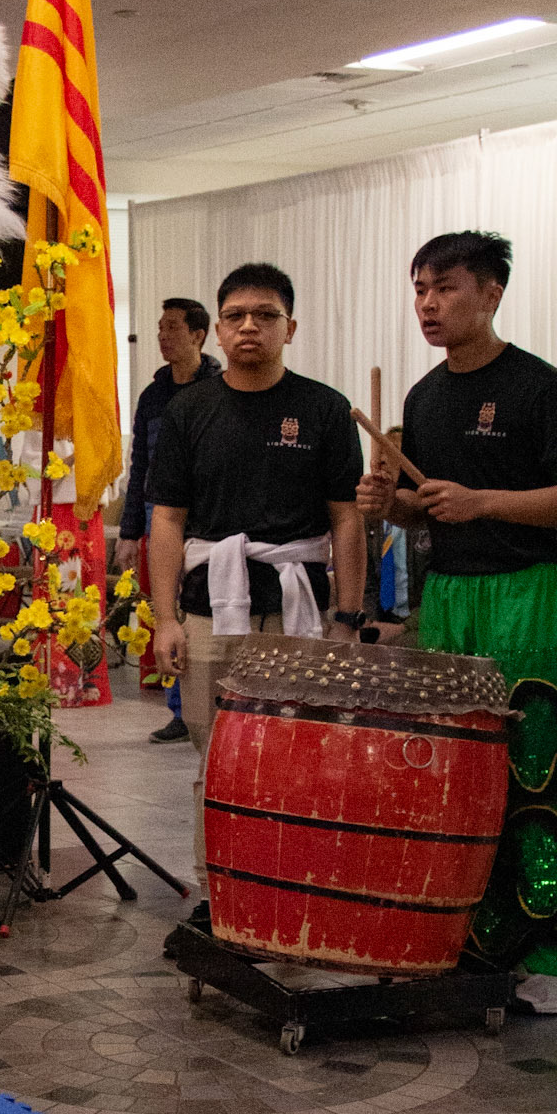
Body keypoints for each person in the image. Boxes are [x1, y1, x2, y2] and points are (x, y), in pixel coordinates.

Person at [357, 231, 557, 1012]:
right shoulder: (422, 397)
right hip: (446, 597)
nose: (427, 304)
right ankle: (460, 939)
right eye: (419, 289)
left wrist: (485, 503)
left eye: (445, 288)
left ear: (491, 294)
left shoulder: (539, 388)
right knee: (450, 773)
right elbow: (426, 508)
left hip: (528, 593)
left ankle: (547, 956)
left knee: (534, 771)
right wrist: (393, 504)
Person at [147, 261, 366, 901]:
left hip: (299, 610)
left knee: (299, 755)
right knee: (217, 755)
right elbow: (167, 520)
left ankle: (292, 891)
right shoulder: (188, 411)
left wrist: (348, 619)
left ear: (289, 328)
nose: (250, 326)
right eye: (236, 316)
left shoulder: (323, 409)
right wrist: (164, 619)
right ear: (217, 330)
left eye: (266, 315)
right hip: (209, 610)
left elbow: (346, 520)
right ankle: (221, 895)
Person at [115, 297, 220, 743]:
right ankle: (180, 709)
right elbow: (139, 464)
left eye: (172, 327)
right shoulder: (153, 396)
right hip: (159, 513)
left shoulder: (217, 389)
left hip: (207, 515)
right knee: (167, 609)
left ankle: (214, 704)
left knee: (202, 609)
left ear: (198, 335)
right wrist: (128, 532)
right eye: (160, 328)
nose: (162, 336)